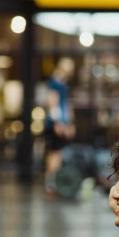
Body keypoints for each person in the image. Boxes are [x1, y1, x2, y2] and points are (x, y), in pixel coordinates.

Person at [44, 57, 76, 197]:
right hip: (55, 124)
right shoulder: (55, 82)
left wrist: (68, 124)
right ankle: (51, 184)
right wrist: (58, 123)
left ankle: (55, 183)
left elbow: (66, 105)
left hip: (62, 123)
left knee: (59, 154)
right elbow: (53, 102)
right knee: (54, 154)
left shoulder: (63, 84)